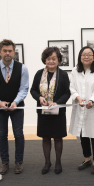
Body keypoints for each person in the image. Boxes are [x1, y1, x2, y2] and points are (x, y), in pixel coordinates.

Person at [0, 39, 29, 175]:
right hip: (0, 108)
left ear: (14, 52)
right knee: (2, 135)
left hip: (18, 107)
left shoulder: (22, 68)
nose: (8, 53)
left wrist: (15, 102)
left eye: (10, 51)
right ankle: (4, 162)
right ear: (0, 52)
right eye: (5, 51)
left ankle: (18, 162)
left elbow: (24, 88)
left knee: (18, 134)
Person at [30, 46, 70, 175]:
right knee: (45, 138)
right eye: (48, 59)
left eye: (54, 59)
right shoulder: (39, 74)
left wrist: (58, 103)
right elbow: (33, 90)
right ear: (44, 60)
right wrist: (39, 97)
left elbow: (67, 92)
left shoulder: (63, 74)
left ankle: (58, 162)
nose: (51, 61)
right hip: (43, 112)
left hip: (58, 112)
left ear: (58, 60)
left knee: (58, 138)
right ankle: (47, 162)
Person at [69, 46, 94, 175]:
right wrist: (77, 97)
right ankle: (87, 159)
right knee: (83, 134)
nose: (86, 56)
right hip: (80, 106)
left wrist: (92, 100)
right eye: (84, 54)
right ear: (80, 57)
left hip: (93, 108)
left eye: (89, 54)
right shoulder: (74, 71)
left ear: (93, 57)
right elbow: (71, 87)